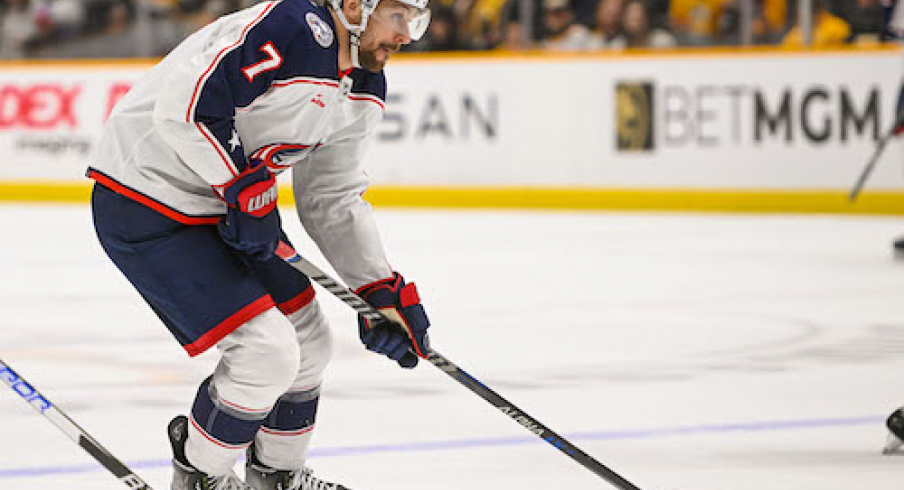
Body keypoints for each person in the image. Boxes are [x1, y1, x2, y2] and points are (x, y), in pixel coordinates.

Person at [87, 0, 433, 488]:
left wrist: (377, 287)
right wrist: (241, 187)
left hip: (226, 208)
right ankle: (200, 477)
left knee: (310, 343)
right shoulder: (289, 27)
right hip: (146, 199)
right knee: (264, 354)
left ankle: (276, 477)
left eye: (417, 21)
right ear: (356, 6)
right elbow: (186, 110)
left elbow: (331, 199)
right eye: (400, 17)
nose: (407, 36)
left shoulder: (363, 85)